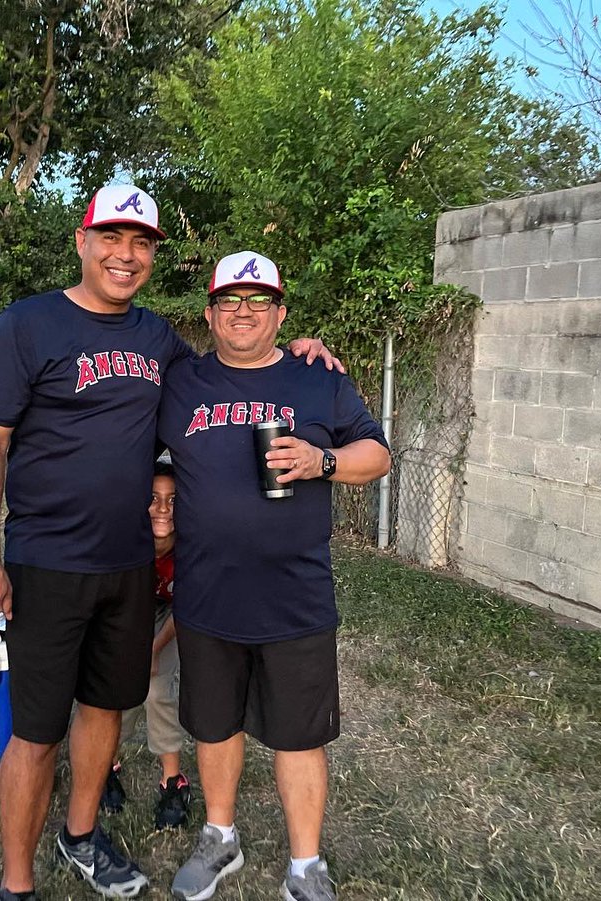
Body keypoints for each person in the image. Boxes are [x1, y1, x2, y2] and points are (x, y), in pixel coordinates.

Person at [0, 186, 341, 901]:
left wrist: (293, 351)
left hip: (132, 562)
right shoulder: (26, 325)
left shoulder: (158, 340)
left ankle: (79, 836)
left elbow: (228, 364)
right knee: (36, 730)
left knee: (108, 708)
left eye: (140, 243)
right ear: (82, 241)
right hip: (46, 561)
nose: (124, 254)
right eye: (111, 237)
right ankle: (16, 884)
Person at [157, 251, 391, 901]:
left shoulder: (319, 379)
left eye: (259, 301)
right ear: (208, 314)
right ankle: (220, 837)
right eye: (230, 301)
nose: (243, 312)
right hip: (207, 592)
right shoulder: (182, 381)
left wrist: (323, 459)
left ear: (282, 314)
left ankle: (305, 866)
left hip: (296, 595)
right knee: (214, 723)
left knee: (299, 732)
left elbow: (377, 454)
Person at [102, 458, 192, 830]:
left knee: (159, 690)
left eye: (173, 500)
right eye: (154, 498)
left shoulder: (192, 543)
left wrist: (154, 649)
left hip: (172, 618)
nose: (163, 509)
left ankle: (173, 781)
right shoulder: (128, 538)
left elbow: (186, 608)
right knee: (118, 686)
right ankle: (104, 764)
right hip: (130, 612)